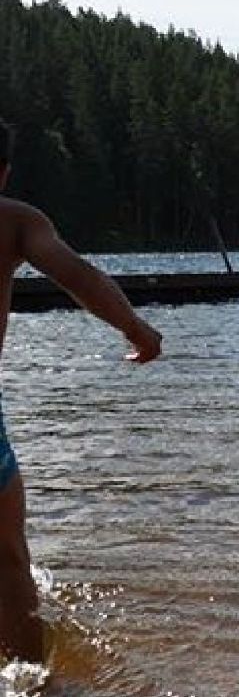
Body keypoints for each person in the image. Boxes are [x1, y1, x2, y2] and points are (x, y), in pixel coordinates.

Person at [0, 122, 162, 663]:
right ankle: (34, 680)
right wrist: (136, 330)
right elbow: (80, 277)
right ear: (2, 172)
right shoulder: (14, 221)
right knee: (6, 560)